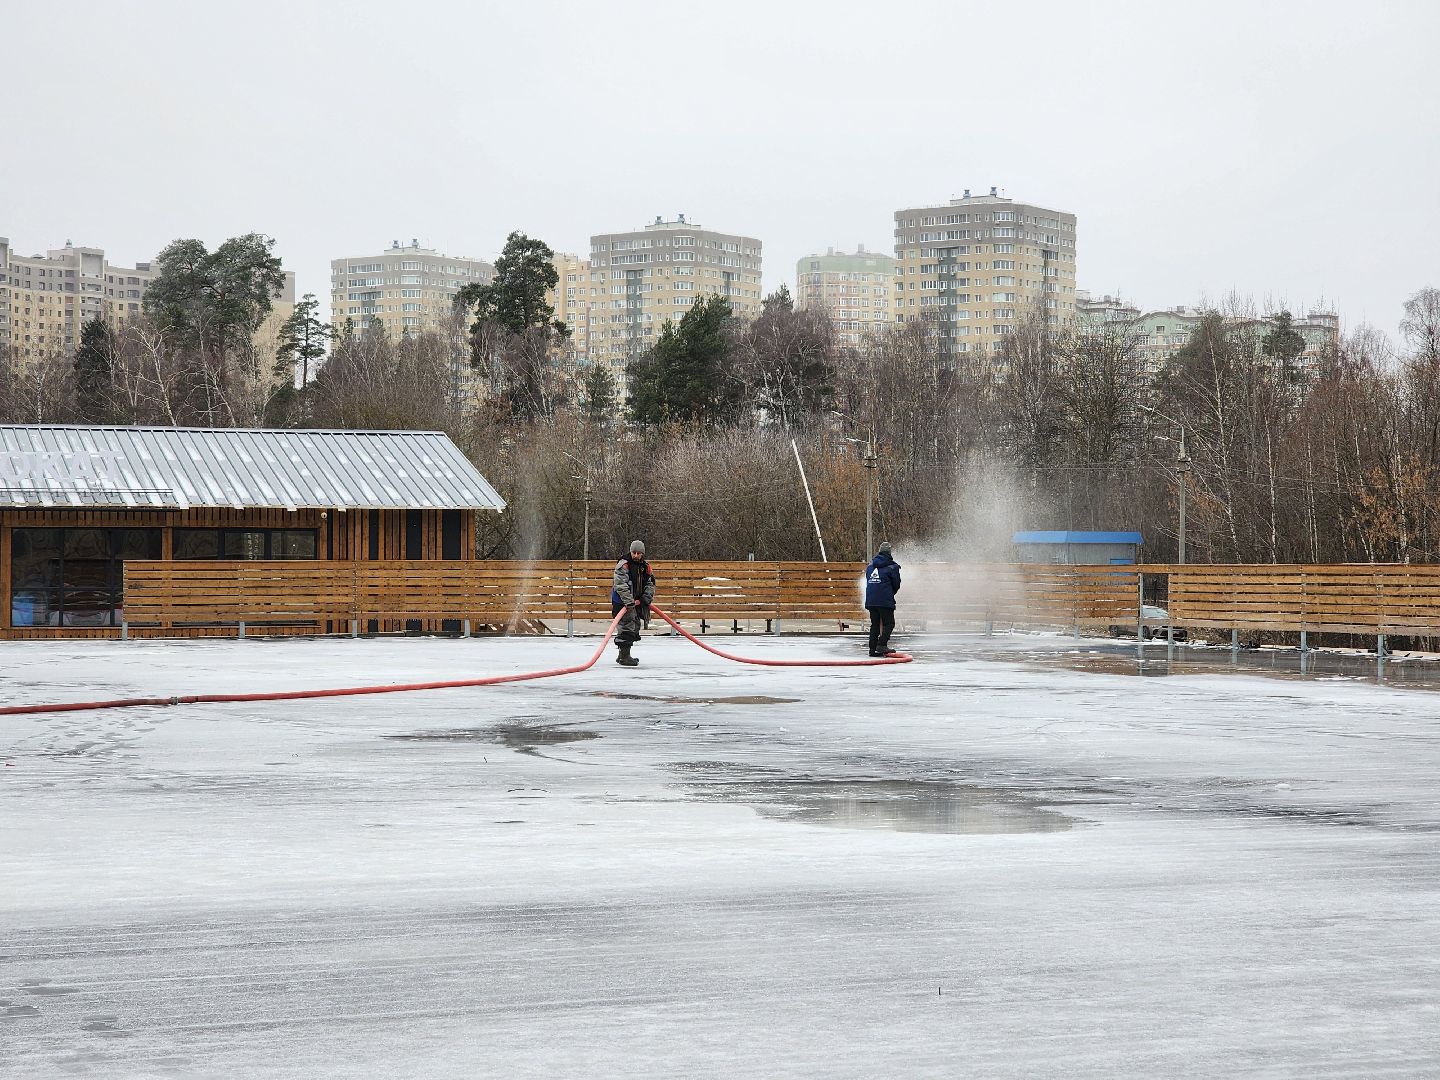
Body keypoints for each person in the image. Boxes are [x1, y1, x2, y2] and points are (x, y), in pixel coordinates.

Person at [611, 540, 655, 666]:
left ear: (642, 554)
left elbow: (650, 583)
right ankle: (624, 656)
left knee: (634, 626)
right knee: (627, 627)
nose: (635, 555)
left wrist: (646, 597)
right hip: (623, 603)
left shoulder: (645, 567)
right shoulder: (624, 565)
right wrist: (628, 601)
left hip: (636, 602)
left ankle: (622, 655)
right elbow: (620, 585)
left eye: (638, 553)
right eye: (633, 552)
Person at [864, 541, 902, 657]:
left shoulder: (870, 566)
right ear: (889, 553)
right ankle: (881, 644)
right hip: (884, 600)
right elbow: (896, 584)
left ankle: (872, 649)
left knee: (875, 624)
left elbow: (869, 581)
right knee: (889, 623)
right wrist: (889, 594)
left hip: (871, 600)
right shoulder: (892, 567)